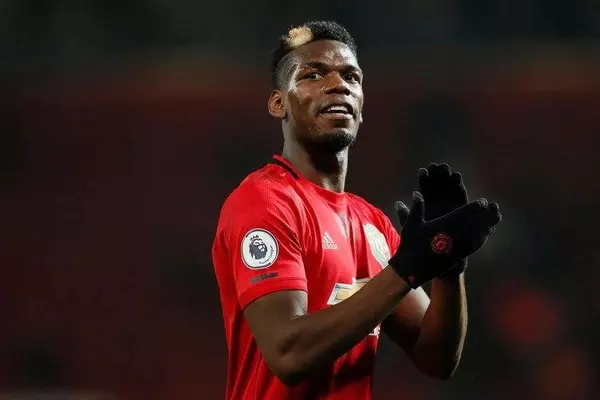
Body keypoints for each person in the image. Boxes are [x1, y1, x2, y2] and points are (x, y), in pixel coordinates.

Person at [212, 20, 502, 400]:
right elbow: (289, 354)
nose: (338, 84)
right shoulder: (265, 201)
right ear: (278, 103)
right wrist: (405, 271)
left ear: (362, 107)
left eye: (351, 76)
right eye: (313, 75)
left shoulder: (372, 225)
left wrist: (447, 264)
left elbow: (437, 359)